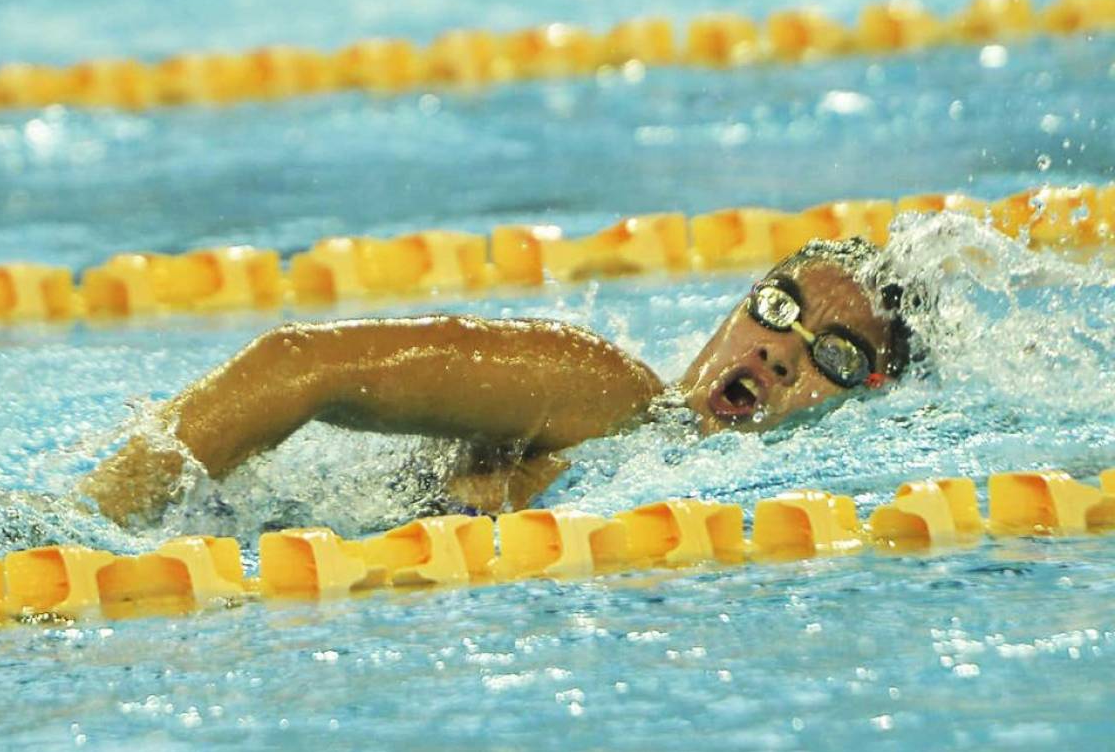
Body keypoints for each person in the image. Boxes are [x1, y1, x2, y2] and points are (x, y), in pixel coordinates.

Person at [79, 237, 912, 526]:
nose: (778, 350)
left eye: (833, 354)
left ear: (867, 398)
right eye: (777, 305)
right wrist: (80, 524)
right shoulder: (606, 393)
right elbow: (297, 363)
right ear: (735, 310)